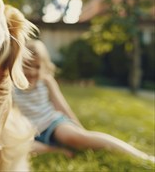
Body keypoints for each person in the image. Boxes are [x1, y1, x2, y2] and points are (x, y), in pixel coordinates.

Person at [13, 39, 155, 162]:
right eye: (27, 66)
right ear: (17, 65)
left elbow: (62, 107)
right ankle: (53, 150)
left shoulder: (46, 81)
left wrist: (80, 131)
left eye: (37, 67)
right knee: (15, 146)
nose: (32, 72)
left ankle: (141, 156)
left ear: (44, 66)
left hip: (52, 123)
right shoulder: (10, 86)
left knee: (72, 137)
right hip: (29, 132)